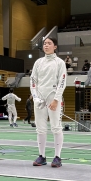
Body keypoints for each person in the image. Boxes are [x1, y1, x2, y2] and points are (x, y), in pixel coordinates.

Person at [30, 36, 67, 168]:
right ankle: (42, 156)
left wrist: (56, 100)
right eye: (44, 43)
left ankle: (57, 157)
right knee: (40, 128)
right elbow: (33, 80)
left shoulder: (59, 63)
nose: (46, 45)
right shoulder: (38, 62)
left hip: (53, 97)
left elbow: (62, 82)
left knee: (56, 127)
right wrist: (35, 98)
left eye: (49, 43)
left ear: (55, 46)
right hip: (40, 98)